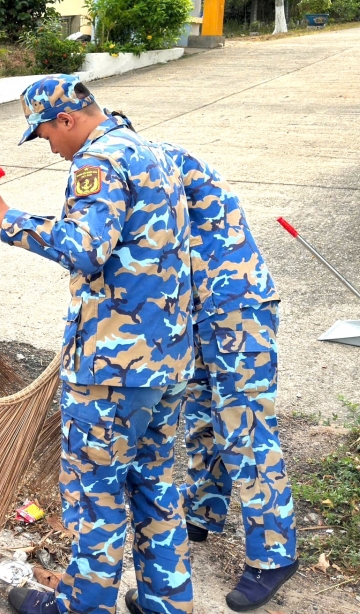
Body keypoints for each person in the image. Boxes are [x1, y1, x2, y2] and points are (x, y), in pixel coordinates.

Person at [0, 76, 194, 614]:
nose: (48, 146)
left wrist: (4, 216)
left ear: (66, 119)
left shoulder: (98, 163)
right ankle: (166, 601)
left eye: (44, 134)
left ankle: (83, 607)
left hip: (113, 368)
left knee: (97, 493)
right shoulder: (149, 152)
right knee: (156, 481)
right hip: (166, 360)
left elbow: (86, 249)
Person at [152, 138, 298, 612]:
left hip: (236, 309)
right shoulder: (139, 161)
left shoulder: (146, 165)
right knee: (202, 421)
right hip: (199, 312)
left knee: (246, 431)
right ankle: (204, 512)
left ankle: (275, 555)